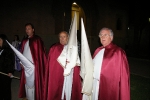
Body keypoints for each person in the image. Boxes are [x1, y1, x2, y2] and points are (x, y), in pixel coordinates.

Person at [92, 28, 130, 100]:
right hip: (95, 84)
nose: (102, 37)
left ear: (111, 37)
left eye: (105, 35)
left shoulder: (118, 52)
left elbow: (123, 75)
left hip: (109, 87)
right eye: (101, 35)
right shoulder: (98, 50)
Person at [44, 31, 82, 100]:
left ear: (68, 37)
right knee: (58, 92)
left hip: (69, 75)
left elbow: (76, 63)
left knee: (68, 91)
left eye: (64, 36)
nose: (62, 38)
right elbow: (51, 65)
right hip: (57, 75)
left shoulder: (72, 48)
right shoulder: (54, 48)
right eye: (60, 37)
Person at [18, 23, 47, 100]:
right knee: (26, 83)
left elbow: (41, 54)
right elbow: (22, 52)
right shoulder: (24, 40)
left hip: (33, 66)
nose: (27, 30)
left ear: (33, 30)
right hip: (25, 66)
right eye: (26, 29)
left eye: (29, 28)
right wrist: (21, 62)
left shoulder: (37, 39)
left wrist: (37, 64)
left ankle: (34, 97)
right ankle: (28, 97)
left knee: (33, 83)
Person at [0, 34, 15, 100]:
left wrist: (10, 71)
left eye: (0, 40)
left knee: (6, 89)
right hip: (0, 73)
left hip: (6, 73)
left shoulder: (8, 50)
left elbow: (11, 61)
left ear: (4, 41)